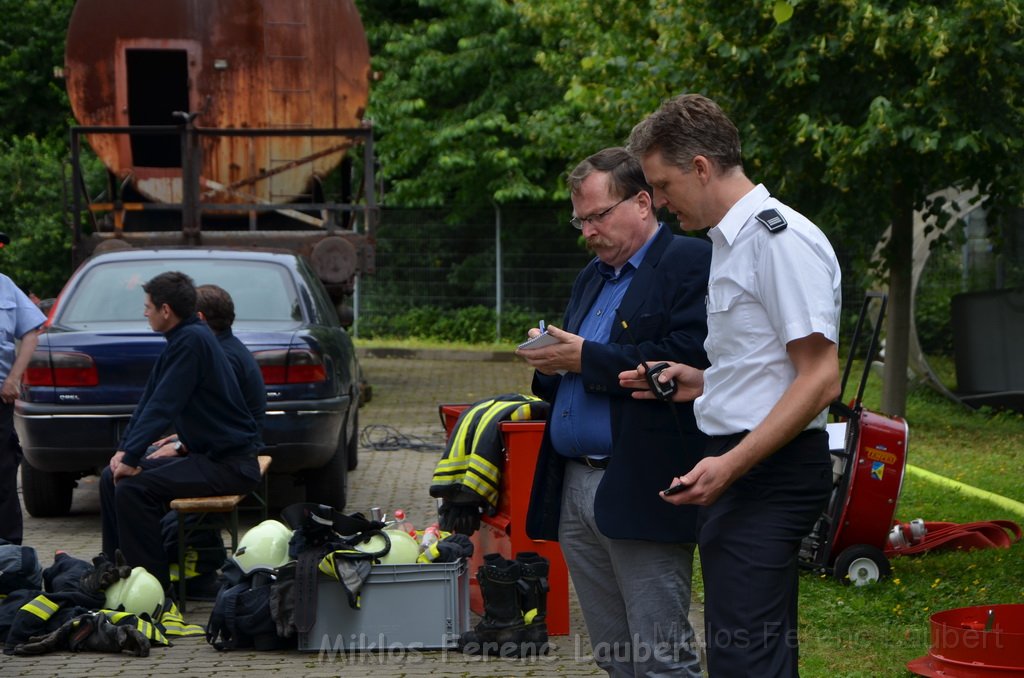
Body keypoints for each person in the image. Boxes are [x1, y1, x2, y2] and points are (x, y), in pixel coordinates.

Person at [622, 93, 842, 676]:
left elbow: (820, 379)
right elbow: (769, 363)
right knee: (746, 652)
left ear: (700, 167)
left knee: (748, 660)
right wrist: (706, 382)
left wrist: (732, 464)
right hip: (744, 468)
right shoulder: (731, 242)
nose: (660, 204)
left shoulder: (778, 240)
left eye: (662, 185)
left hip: (766, 472)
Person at [517, 147, 711, 677]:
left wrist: (583, 357)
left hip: (640, 479)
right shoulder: (592, 277)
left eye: (599, 215)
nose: (588, 231)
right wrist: (548, 359)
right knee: (612, 654)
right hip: (575, 486)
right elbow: (571, 367)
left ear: (643, 202)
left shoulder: (689, 263)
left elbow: (689, 361)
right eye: (581, 220)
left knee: (660, 655)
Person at [100, 271, 262, 591]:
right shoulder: (184, 337)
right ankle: (115, 572)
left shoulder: (192, 342)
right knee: (110, 476)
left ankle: (152, 591)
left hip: (230, 464)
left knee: (134, 488)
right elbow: (149, 399)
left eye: (148, 306)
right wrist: (123, 452)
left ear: (165, 310)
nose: (144, 312)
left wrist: (133, 457)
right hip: (209, 458)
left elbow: (164, 406)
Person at [148, 283, 265, 456]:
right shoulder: (224, 347)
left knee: (129, 469)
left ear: (199, 318)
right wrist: (181, 437)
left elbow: (223, 424)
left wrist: (180, 446)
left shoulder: (222, 358)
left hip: (232, 455)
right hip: (226, 445)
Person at [0, 232, 47, 545]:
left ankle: (9, 557)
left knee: (3, 477)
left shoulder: (5, 285)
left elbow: (32, 331)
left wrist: (14, 378)